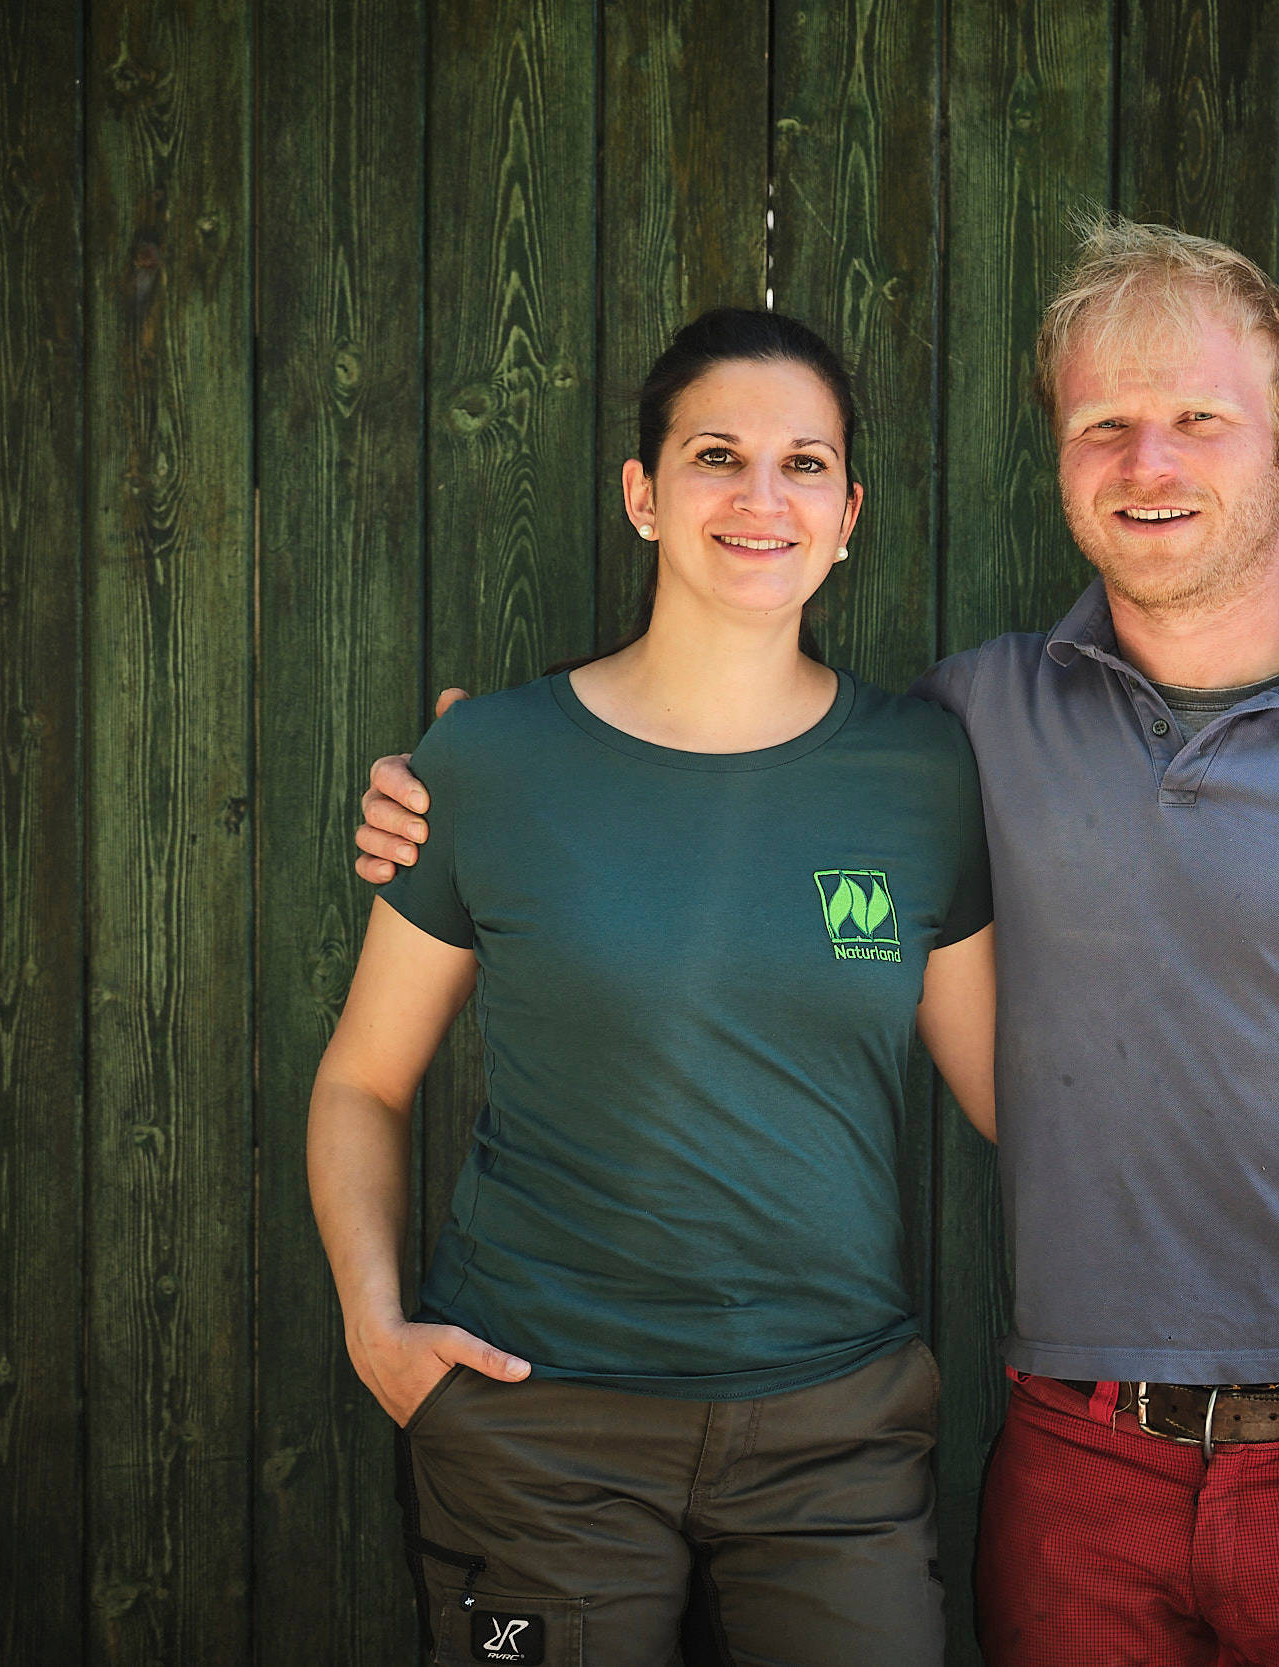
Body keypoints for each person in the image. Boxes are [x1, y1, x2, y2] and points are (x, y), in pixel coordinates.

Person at [355, 218, 1279, 1666]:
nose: (1149, 462)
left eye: (1200, 420)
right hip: (1080, 1463)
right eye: (1105, 426)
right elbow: (732, 755)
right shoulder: (971, 724)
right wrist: (470, 774)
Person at [309, 306, 997, 1667]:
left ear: (849, 516)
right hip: (537, 1426)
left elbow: (1019, 1100)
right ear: (642, 495)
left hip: (836, 1435)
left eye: (805, 465)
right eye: (715, 456)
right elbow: (363, 1082)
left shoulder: (922, 775)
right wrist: (374, 1327)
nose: (761, 497)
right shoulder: (494, 761)